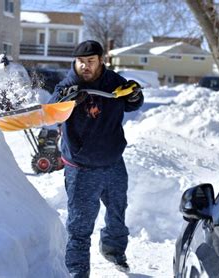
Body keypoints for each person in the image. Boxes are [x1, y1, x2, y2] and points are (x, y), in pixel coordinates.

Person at [48, 40, 143, 277]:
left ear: (101, 60)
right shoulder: (68, 85)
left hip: (113, 163)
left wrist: (134, 96)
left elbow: (132, 105)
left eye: (90, 61)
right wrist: (66, 102)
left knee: (117, 215)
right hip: (81, 168)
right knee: (79, 227)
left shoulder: (114, 82)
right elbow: (51, 114)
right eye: (81, 62)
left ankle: (113, 250)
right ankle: (77, 272)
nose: (85, 67)